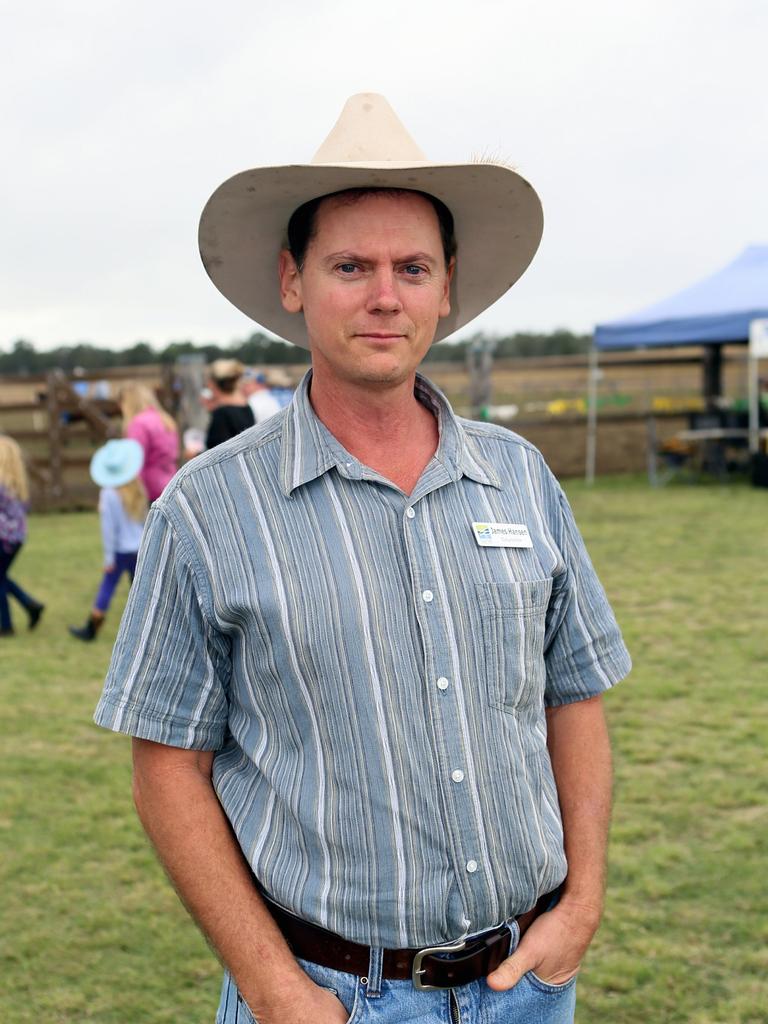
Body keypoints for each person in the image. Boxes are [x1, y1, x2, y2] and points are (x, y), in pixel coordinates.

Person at [94, 94, 631, 1024]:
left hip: (528, 986)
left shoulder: (521, 476)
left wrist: (581, 905)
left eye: (412, 267)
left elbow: (572, 694)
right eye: (351, 265)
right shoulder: (208, 508)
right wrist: (272, 988)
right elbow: (165, 765)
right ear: (293, 281)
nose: (386, 295)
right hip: (330, 997)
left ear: (447, 286)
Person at [69, 439, 147, 641]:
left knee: (108, 587)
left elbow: (109, 529)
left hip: (121, 551)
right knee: (140, 589)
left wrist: (108, 559)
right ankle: (145, 628)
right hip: (139, 547)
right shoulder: (137, 487)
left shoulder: (108, 494)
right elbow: (145, 519)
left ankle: (92, 628)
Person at [0, 435, 44, 636]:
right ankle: (30, 605)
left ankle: (6, 626)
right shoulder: (17, 484)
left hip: (4, 538)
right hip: (16, 538)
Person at [120, 383, 180, 502]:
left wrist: (132, 494)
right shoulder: (165, 419)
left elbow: (135, 461)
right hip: (170, 484)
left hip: (149, 489)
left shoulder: (138, 424)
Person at [204, 359, 255, 448]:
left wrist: (195, 454)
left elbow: (218, 452)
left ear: (213, 384)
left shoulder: (221, 413)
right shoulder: (246, 407)